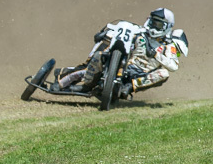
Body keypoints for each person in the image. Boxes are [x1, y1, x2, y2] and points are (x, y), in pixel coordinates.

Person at [54, 8, 186, 98]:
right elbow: (122, 35)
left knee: (164, 73)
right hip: (125, 66)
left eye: (158, 24)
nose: (153, 26)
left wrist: (156, 55)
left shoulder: (169, 45)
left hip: (141, 75)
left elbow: (173, 66)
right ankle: (80, 84)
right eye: (153, 22)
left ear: (166, 27)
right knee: (100, 56)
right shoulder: (139, 32)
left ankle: (128, 87)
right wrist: (105, 34)